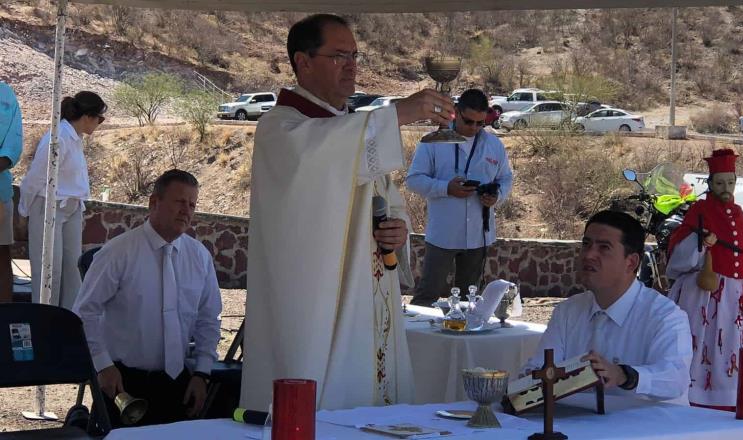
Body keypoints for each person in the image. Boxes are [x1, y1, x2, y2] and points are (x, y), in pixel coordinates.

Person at [241, 13, 455, 411]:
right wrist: (397, 115)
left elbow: (383, 195)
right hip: (313, 302)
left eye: (355, 55)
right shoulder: (281, 128)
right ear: (303, 62)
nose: (353, 65)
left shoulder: (348, 128)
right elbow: (319, 154)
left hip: (365, 296)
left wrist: (398, 227)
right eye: (339, 55)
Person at [72, 170, 222, 427]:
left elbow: (209, 318)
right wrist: (102, 365)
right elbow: (85, 311)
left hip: (178, 383)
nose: (187, 210)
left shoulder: (199, 257)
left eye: (192, 204)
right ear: (154, 203)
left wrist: (202, 372)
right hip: (124, 382)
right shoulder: (118, 253)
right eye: (179, 202)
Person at [522, 210, 692, 403]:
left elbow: (675, 378)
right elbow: (540, 370)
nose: (589, 255)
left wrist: (623, 375)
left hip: (649, 430)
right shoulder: (567, 312)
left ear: (631, 262)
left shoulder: (665, 316)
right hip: (578, 425)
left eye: (604, 247)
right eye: (586, 244)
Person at [666, 149, 743, 411]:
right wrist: (701, 245)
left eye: (730, 182)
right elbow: (678, 256)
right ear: (710, 183)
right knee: (699, 344)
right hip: (699, 298)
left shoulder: (739, 213)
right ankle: (691, 396)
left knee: (731, 346)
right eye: (720, 183)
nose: (725, 188)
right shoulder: (698, 211)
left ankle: (728, 400)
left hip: (734, 301)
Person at [406, 89, 513, 306]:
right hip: (443, 234)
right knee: (427, 296)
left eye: (480, 123)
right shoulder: (434, 141)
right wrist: (446, 188)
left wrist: (496, 196)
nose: (474, 128)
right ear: (456, 112)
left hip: (478, 236)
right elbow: (413, 180)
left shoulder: (494, 145)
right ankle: (415, 339)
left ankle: (463, 340)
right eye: (468, 121)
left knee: (469, 300)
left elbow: (506, 178)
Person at [19, 91, 106, 309]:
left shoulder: (75, 139)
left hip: (71, 207)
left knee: (73, 270)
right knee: (49, 271)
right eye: (99, 119)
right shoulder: (57, 138)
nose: (99, 124)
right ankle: (44, 321)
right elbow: (36, 177)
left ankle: (68, 322)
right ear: (87, 116)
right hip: (48, 206)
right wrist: (23, 210)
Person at [0, 82, 23, 303]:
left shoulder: (6, 95)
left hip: (0, 193)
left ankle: (4, 315)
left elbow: (13, 146)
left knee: (1, 253)